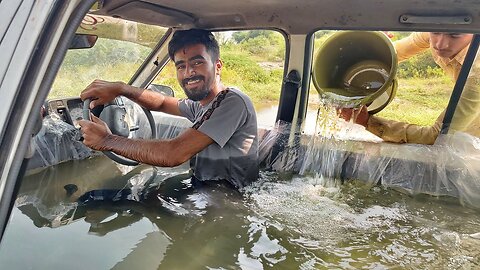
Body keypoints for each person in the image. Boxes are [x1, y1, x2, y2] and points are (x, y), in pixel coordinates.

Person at [78, 29, 259, 189]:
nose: (188, 72)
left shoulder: (232, 102)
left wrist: (107, 140)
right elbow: (162, 102)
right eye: (181, 66)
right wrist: (121, 88)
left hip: (230, 200)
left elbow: (173, 154)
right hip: (205, 188)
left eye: (197, 63)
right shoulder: (202, 105)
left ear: (217, 66)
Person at [340, 32, 480, 144]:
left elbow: (437, 136)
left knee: (460, 142)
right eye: (435, 32)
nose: (440, 44)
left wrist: (367, 121)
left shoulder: (477, 73)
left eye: (455, 35)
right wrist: (375, 46)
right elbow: (393, 53)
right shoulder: (436, 33)